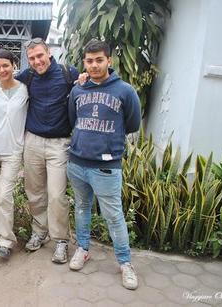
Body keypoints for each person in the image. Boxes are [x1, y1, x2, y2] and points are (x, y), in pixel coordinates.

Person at [67, 39, 141, 290]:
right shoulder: (78, 90)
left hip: (106, 167)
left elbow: (132, 124)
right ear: (84, 63)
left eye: (99, 60)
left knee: (113, 216)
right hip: (77, 163)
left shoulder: (125, 91)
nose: (94, 65)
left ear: (109, 60)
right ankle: (83, 248)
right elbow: (72, 119)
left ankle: (125, 263)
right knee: (81, 208)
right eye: (89, 61)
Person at [16, 38, 79, 263]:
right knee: (34, 192)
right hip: (32, 141)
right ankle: (39, 232)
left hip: (59, 144)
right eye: (32, 58)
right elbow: (4, 82)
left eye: (40, 56)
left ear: (49, 53)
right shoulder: (28, 76)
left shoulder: (67, 73)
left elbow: (87, 85)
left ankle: (61, 240)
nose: (36, 61)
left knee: (56, 194)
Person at [0, 49, 29, 259]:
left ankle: (6, 242)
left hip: (13, 151)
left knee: (4, 196)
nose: (2, 70)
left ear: (14, 66)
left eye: (6, 65)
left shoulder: (25, 90)